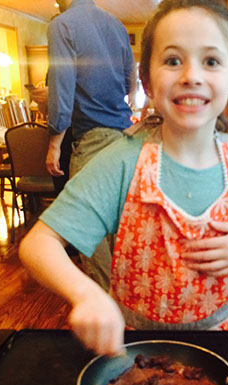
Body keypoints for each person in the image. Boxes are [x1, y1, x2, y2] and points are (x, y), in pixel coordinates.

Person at [20, 0, 228, 356]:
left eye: (211, 61)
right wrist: (87, 294)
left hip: (222, 345)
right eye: (173, 60)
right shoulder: (120, 162)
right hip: (134, 350)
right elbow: (38, 245)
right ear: (147, 83)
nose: (191, 76)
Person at [45, 0, 135, 290]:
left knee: (90, 238)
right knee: (121, 236)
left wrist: (54, 143)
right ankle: (126, 308)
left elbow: (61, 88)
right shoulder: (116, 24)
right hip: (125, 140)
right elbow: (129, 82)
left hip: (92, 140)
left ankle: (107, 310)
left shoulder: (62, 25)